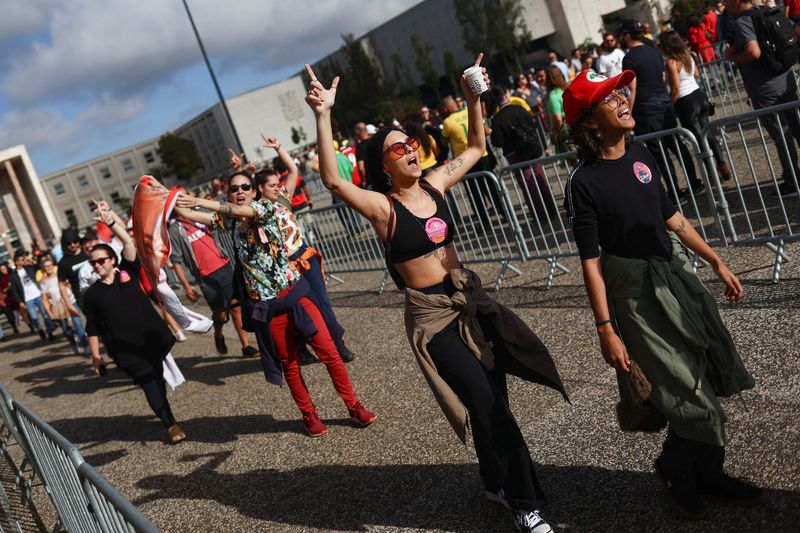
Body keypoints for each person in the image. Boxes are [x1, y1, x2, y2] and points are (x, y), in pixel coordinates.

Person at [305, 55, 567, 533]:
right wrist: (323, 115)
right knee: (488, 406)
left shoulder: (435, 181)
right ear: (382, 165)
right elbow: (332, 180)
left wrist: (472, 100)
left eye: (409, 142)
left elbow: (476, 146)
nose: (408, 149)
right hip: (434, 319)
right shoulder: (383, 208)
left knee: (493, 395)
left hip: (469, 299)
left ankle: (494, 481)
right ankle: (525, 501)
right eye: (396, 148)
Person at [563, 68, 765, 521]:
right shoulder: (584, 183)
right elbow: (591, 263)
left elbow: (674, 217)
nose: (621, 99)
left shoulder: (643, 151)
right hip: (634, 298)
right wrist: (605, 328)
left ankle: (709, 475)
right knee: (684, 387)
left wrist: (715, 260)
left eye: (621, 91)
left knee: (707, 369)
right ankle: (675, 469)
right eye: (608, 97)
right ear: (589, 122)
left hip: (672, 275)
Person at [174, 172, 375, 438]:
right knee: (290, 364)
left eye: (246, 186)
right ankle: (309, 416)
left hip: (296, 296)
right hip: (268, 307)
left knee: (330, 353)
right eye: (234, 189)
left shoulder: (265, 208)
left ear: (254, 191)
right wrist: (163, 196)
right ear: (228, 193)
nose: (240, 191)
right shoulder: (231, 223)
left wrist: (199, 199)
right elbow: (189, 215)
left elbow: (229, 209)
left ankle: (353, 405)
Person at [82, 206, 186, 444]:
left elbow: (129, 243)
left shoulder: (128, 271)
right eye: (93, 263)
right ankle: (170, 424)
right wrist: (96, 356)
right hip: (125, 351)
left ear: (112, 260)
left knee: (157, 379)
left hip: (152, 339)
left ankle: (165, 413)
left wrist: (111, 223)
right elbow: (93, 327)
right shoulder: (92, 295)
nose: (96, 265)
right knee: (150, 381)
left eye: (101, 261)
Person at [252, 137, 356, 363]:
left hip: (304, 257)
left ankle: (338, 344)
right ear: (260, 189)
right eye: (271, 185)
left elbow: (293, 169)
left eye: (277, 183)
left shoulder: (283, 199)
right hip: (283, 267)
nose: (278, 186)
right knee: (295, 309)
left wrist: (279, 148)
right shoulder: (254, 212)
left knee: (322, 302)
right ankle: (300, 348)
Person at [619, 18, 703, 199]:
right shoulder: (653, 51)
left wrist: (628, 115)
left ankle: (676, 192)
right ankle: (694, 183)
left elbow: (632, 89)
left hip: (647, 110)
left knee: (660, 153)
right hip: (664, 105)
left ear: (626, 36)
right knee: (677, 145)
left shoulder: (630, 58)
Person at [725, 0, 800, 198]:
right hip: (786, 80)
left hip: (765, 90)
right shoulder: (768, 12)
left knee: (782, 137)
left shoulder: (743, 21)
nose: (724, 4)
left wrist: (731, 56)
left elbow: (753, 51)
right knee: (797, 128)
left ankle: (793, 181)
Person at [168, 203, 259, 358]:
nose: (183, 202)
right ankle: (218, 334)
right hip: (206, 276)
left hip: (224, 267)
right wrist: (186, 286)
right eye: (178, 201)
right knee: (220, 314)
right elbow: (176, 260)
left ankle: (246, 346)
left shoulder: (200, 215)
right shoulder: (175, 230)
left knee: (236, 307)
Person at [662, 30, 732, 181]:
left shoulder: (671, 62)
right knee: (708, 134)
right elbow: (697, 74)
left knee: (698, 140)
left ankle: (713, 172)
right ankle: (722, 165)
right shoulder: (688, 56)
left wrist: (670, 105)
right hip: (699, 96)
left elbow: (675, 88)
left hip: (686, 101)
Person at [486, 85, 554, 221]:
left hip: (514, 154)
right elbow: (532, 125)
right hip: (531, 148)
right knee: (540, 179)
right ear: (506, 95)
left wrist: (492, 133)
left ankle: (540, 215)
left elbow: (497, 141)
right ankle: (551, 210)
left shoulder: (497, 119)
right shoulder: (519, 109)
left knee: (528, 184)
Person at [40, 257, 84, 353]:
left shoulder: (60, 276)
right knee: (66, 330)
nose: (48, 268)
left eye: (50, 265)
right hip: (57, 307)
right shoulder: (43, 282)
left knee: (78, 324)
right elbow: (44, 299)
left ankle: (86, 345)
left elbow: (69, 286)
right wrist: (49, 313)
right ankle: (73, 343)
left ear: (53, 266)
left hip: (70, 302)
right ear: (43, 268)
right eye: (46, 267)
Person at [9, 252, 50, 339]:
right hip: (27, 299)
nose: (24, 261)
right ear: (17, 262)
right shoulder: (13, 275)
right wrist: (19, 302)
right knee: (34, 317)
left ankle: (50, 332)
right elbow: (14, 291)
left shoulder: (29, 268)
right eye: (22, 260)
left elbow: (40, 267)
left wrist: (32, 261)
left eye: (24, 259)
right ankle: (40, 330)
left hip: (37, 294)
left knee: (45, 314)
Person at [545, 65, 569, 154]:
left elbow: (558, 119)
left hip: (566, 134)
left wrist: (557, 132)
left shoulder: (553, 96)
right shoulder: (568, 88)